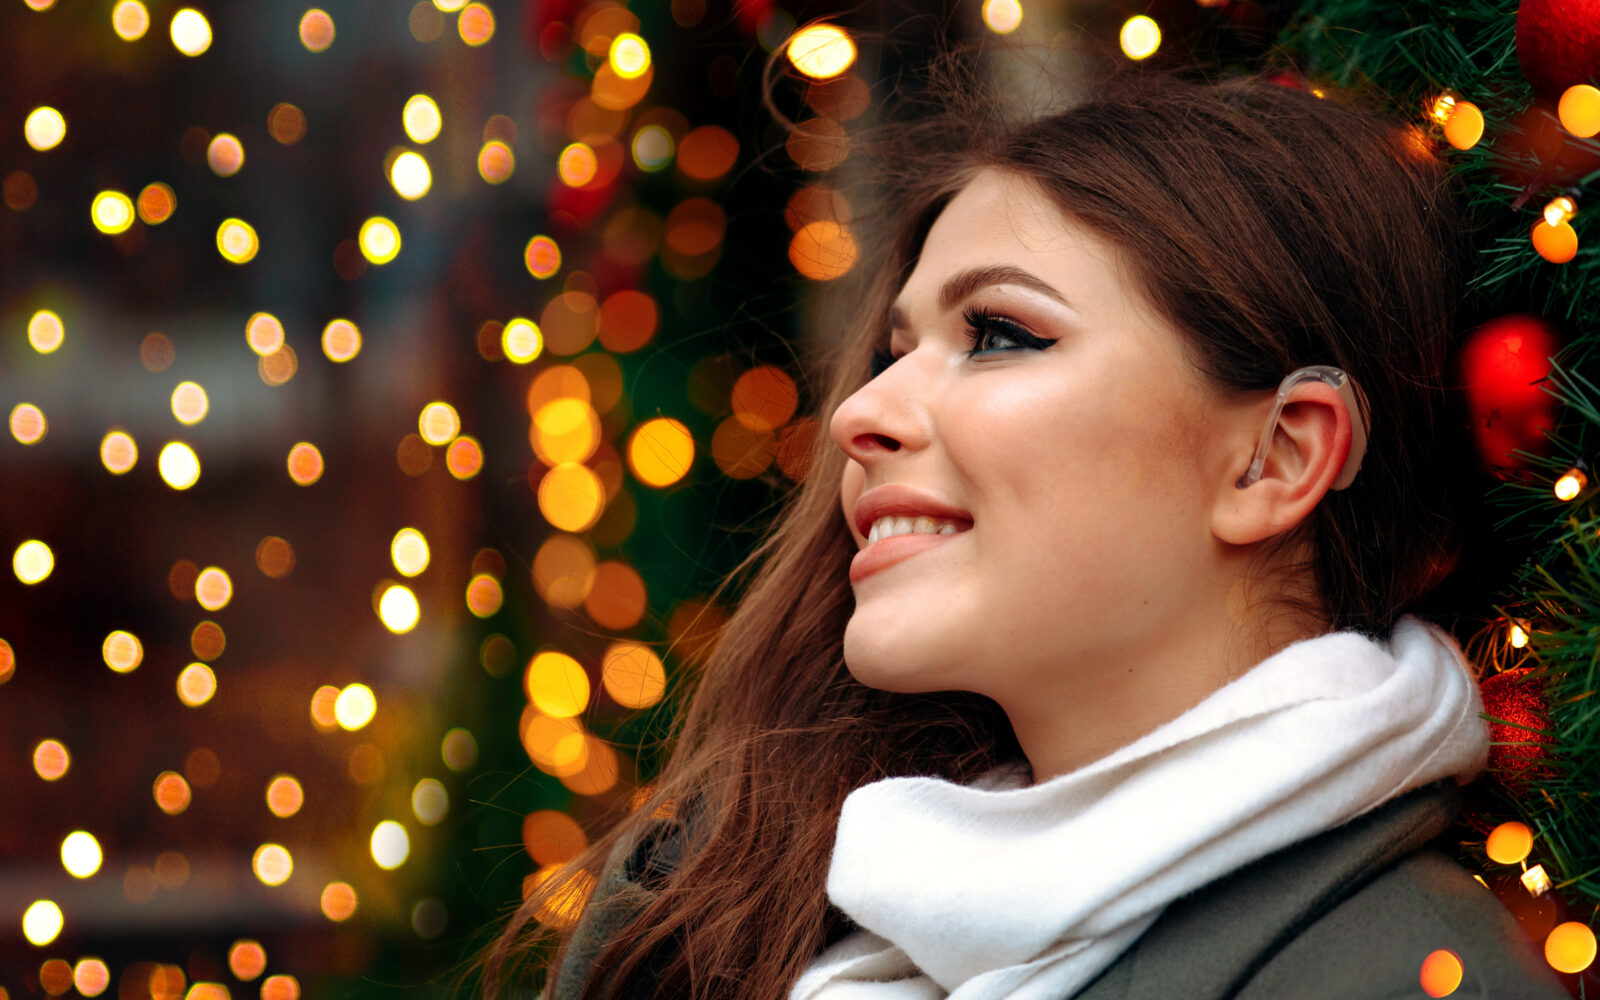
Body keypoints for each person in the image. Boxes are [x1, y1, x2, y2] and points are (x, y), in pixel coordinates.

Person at [486, 64, 1574, 1000]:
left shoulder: (1405, 975)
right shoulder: (729, 900)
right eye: (891, 351)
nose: (860, 414)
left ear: (1275, 458)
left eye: (999, 334)